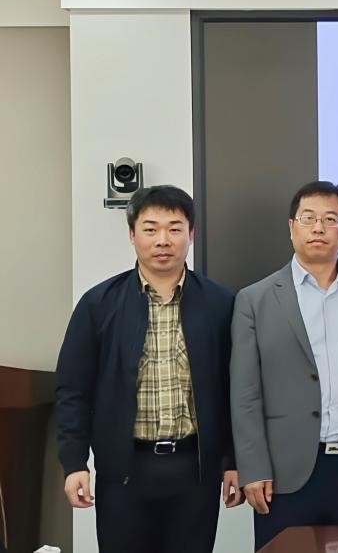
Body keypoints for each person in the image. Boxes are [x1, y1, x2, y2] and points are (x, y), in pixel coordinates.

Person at [55, 186, 241, 553]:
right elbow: (73, 389)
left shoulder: (221, 303)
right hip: (124, 471)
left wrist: (233, 461)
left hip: (195, 471)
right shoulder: (98, 304)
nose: (162, 240)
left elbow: (236, 389)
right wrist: (74, 463)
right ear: (132, 234)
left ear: (191, 235)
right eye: (150, 229)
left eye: (175, 229)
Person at [231, 181, 338, 549]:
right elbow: (245, 395)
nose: (319, 228)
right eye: (308, 218)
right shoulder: (254, 300)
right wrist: (253, 467)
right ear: (291, 227)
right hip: (282, 472)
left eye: (330, 219)